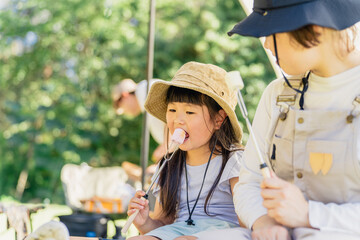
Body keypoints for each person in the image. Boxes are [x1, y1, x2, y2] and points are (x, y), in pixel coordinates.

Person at [204, 0, 360, 239]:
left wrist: (309, 214)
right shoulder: (277, 94)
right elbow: (249, 183)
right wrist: (263, 221)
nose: (266, 43)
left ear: (315, 28)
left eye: (273, 31)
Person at [126, 61, 246, 240]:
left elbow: (247, 221)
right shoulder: (169, 164)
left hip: (226, 231)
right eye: (172, 110)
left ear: (219, 119)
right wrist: (145, 223)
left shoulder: (235, 160)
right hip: (178, 231)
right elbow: (164, 224)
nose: (177, 120)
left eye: (190, 112)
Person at [112, 79, 167, 183]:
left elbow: (174, 111)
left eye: (123, 108)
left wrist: (167, 145)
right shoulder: (144, 100)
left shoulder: (146, 90)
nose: (126, 113)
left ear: (125, 95)